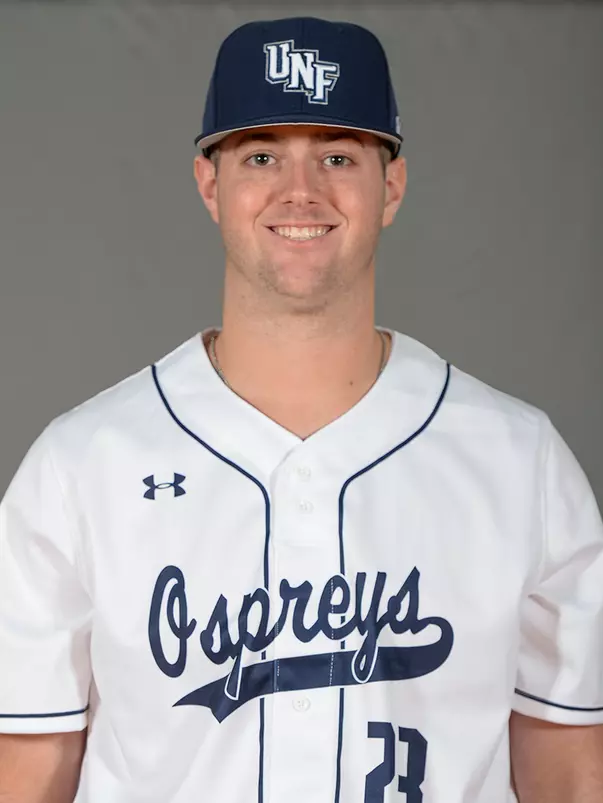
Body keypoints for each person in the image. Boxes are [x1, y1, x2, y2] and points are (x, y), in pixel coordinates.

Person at [0, 15, 602, 803]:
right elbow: (25, 772)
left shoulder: (518, 461)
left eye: (338, 155)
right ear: (209, 184)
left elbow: (568, 767)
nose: (300, 191)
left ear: (391, 185)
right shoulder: (81, 466)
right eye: (260, 155)